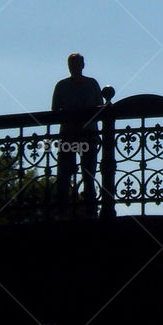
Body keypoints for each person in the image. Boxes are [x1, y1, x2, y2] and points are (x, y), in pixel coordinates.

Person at [52, 53, 104, 216]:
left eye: (76, 63)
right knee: (65, 175)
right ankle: (64, 212)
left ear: (82, 65)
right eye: (71, 63)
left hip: (87, 134)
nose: (73, 66)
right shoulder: (62, 86)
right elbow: (55, 111)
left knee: (88, 174)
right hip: (69, 135)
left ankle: (90, 210)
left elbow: (99, 109)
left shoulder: (91, 84)